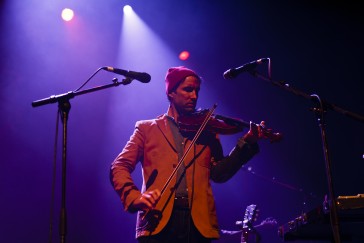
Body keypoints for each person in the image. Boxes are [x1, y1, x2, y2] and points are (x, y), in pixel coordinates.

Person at [110, 66, 269, 243]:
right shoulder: (146, 128)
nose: (194, 96)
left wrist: (246, 142)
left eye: (196, 91)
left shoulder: (206, 128)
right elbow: (119, 166)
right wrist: (134, 197)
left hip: (198, 224)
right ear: (171, 92)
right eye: (188, 89)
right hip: (157, 221)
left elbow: (219, 174)